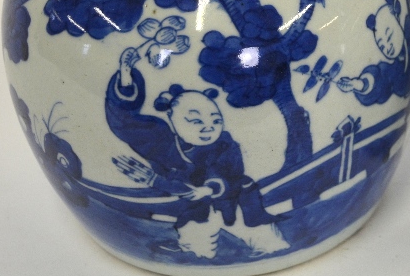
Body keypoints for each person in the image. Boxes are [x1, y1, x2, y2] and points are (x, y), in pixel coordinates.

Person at [106, 47, 288, 259]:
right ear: (172, 121)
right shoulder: (164, 143)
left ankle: (271, 249)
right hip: (195, 209)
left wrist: (158, 181)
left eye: (215, 119)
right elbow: (124, 122)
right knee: (195, 240)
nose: (208, 127)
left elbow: (221, 179)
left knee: (265, 239)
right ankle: (196, 255)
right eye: (195, 121)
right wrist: (125, 75)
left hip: (236, 201)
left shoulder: (225, 146)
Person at [337, 0, 410, 106]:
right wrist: (359, 84)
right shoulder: (393, 70)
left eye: (389, 36)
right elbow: (381, 77)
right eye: (381, 46)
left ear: (398, 19)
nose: (387, 47)